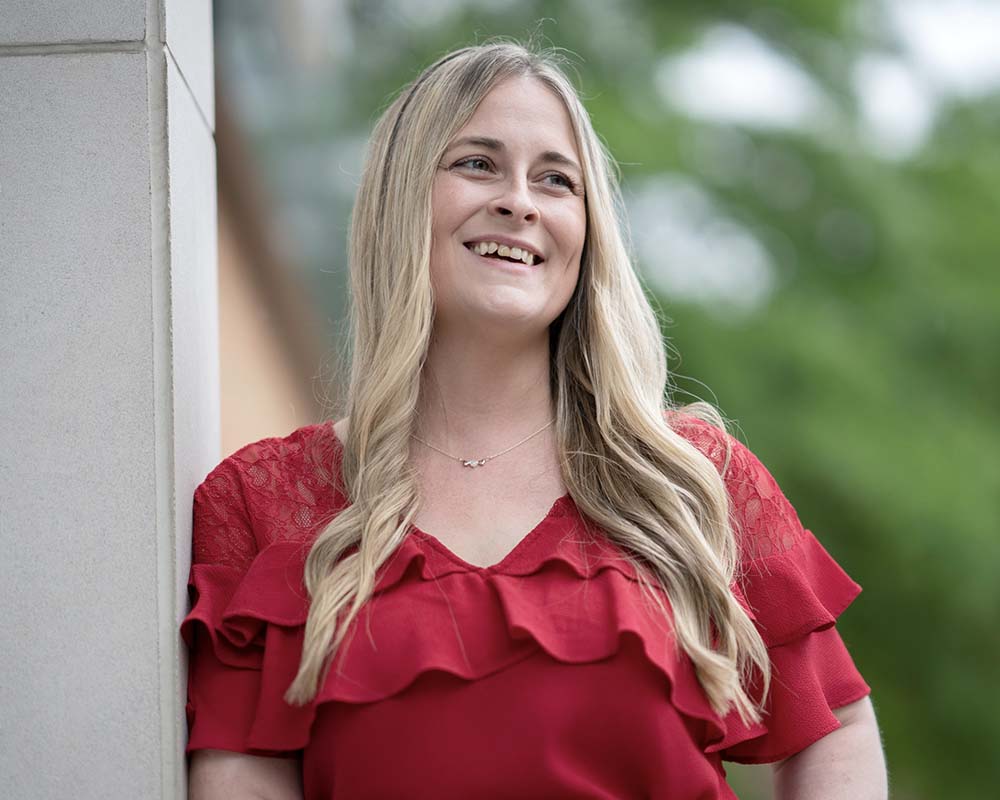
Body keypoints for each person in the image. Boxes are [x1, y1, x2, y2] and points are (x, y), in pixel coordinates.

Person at [183, 40, 888, 799]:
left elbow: (835, 730)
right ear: (400, 200)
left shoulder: (693, 481)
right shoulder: (261, 502)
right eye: (478, 164)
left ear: (586, 235)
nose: (519, 200)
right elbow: (240, 777)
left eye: (556, 180)